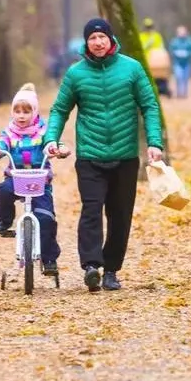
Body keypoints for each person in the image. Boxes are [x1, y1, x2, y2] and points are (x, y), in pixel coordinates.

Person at [45, 18, 164, 292]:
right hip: (90, 155)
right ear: (86, 43)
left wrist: (155, 142)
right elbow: (59, 110)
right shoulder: (76, 74)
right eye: (92, 38)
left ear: (111, 39)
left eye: (102, 37)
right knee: (91, 209)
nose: (97, 43)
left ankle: (111, 270)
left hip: (125, 156)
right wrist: (51, 137)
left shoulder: (132, 69)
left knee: (120, 214)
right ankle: (91, 266)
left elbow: (150, 106)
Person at [0, 83, 66, 276]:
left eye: (26, 111)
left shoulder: (44, 132)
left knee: (46, 219)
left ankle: (49, 259)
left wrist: (59, 149)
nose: (21, 116)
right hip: (17, 178)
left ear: (35, 112)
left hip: (40, 182)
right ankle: (5, 220)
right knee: (3, 190)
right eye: (17, 111)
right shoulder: (10, 133)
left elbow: (52, 144)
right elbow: (1, 142)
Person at [168, 25, 191, 99]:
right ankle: (179, 93)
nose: (182, 34)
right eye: (180, 32)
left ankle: (184, 94)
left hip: (187, 63)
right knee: (178, 77)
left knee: (185, 78)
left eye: (183, 32)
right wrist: (176, 53)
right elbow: (171, 50)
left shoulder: (189, 41)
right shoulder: (174, 41)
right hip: (177, 63)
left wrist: (187, 54)